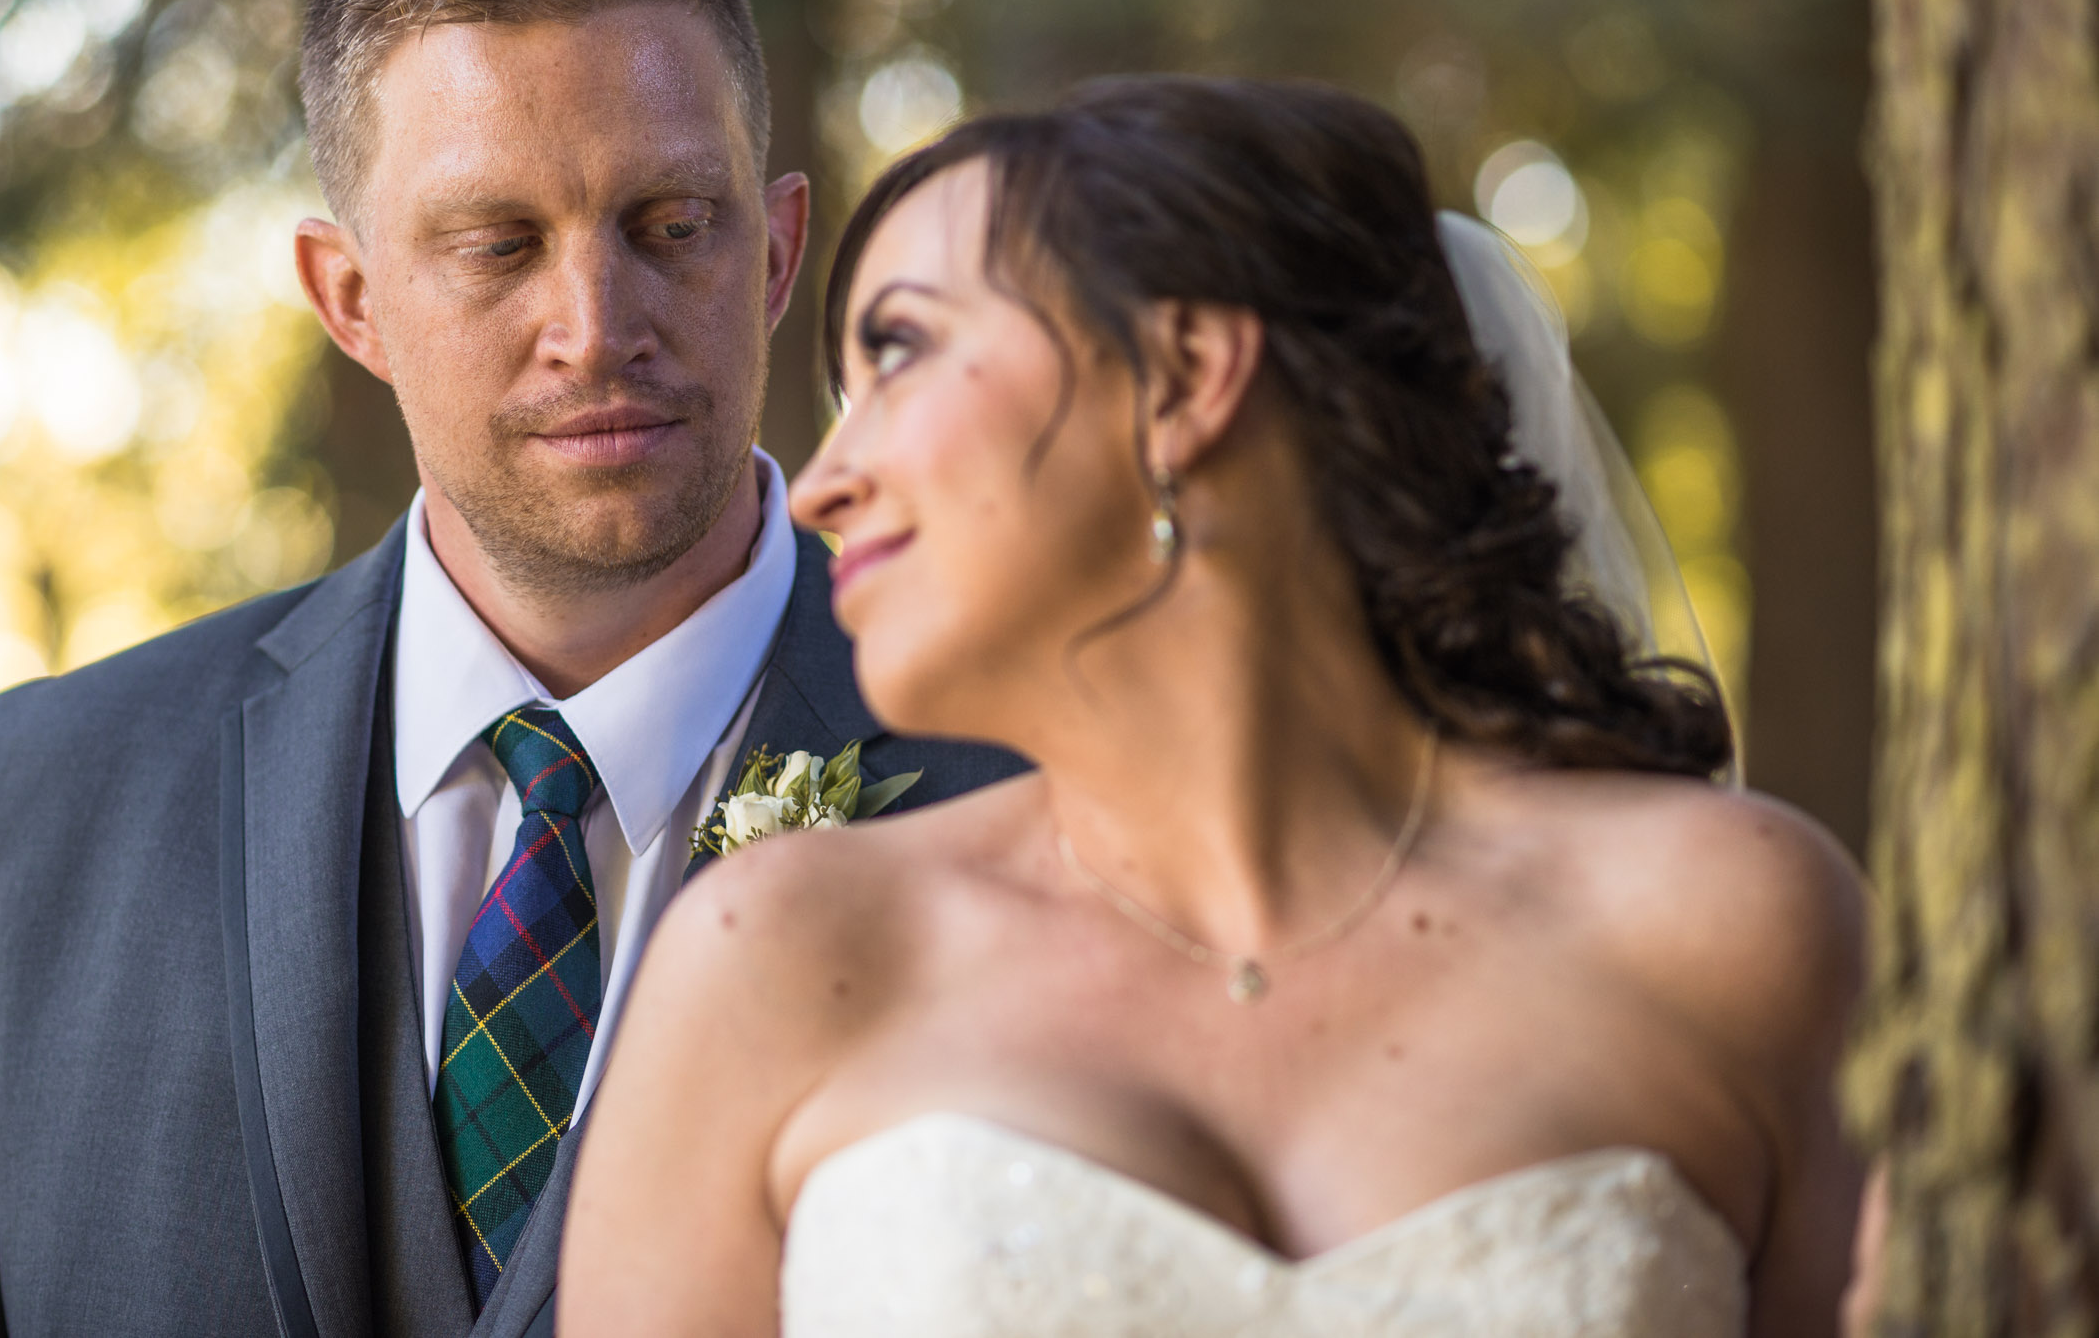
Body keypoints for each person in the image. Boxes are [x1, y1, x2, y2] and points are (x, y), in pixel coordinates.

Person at [0, 0, 1022, 1338]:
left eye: (670, 225)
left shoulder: (1051, 782)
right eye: (497, 244)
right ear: (352, 297)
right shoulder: (31, 811)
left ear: (774, 253)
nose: (594, 325)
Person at [560, 77, 1868, 1337]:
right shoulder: (776, 958)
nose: (821, 484)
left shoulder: (1737, 929)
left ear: (1185, 372)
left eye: (899, 351)